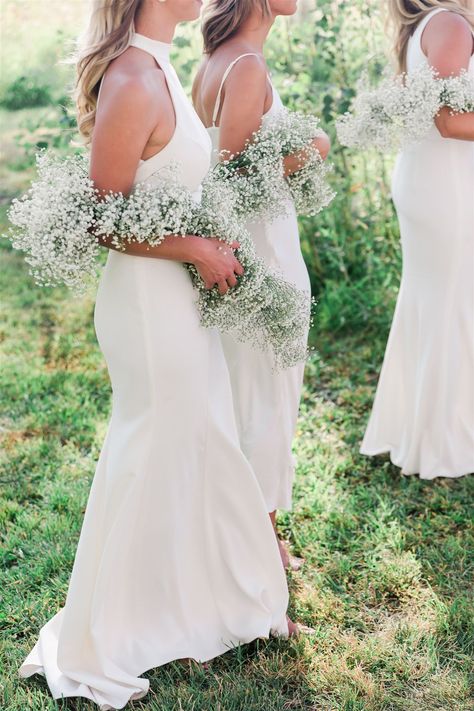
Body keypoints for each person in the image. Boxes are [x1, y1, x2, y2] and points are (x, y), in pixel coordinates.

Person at [18, 1, 298, 708]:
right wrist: (195, 247)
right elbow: (101, 213)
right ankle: (113, 632)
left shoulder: (162, 68)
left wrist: (211, 238)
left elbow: (166, 189)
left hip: (177, 295)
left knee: (199, 436)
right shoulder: (133, 78)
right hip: (146, 305)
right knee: (157, 444)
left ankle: (198, 607)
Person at [192, 0, 330, 566]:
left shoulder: (217, 59)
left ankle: (251, 534)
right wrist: (309, 153)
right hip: (261, 258)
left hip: (254, 251)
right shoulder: (245, 65)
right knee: (266, 400)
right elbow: (226, 182)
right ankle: (257, 545)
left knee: (251, 394)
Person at [361, 0, 474, 479]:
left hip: (434, 178)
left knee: (440, 303)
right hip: (445, 183)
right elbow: (450, 121)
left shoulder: (428, 25)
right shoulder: (449, 24)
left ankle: (429, 427)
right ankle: (442, 441)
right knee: (452, 303)